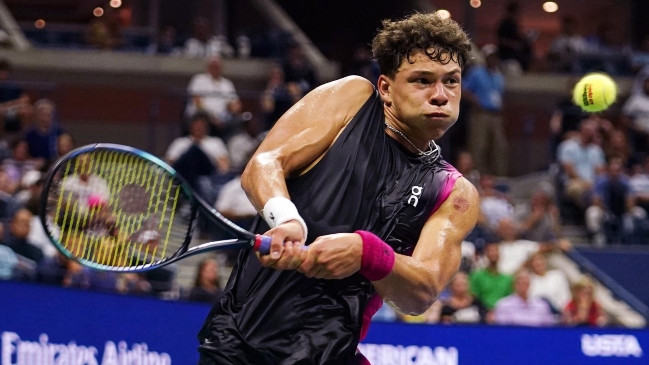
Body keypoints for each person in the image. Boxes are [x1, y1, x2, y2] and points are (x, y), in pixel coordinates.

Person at [197, 12, 479, 364]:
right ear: (386, 88)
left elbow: (422, 291)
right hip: (235, 341)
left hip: (328, 354)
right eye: (422, 80)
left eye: (451, 81)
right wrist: (287, 220)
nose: (440, 95)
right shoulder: (352, 99)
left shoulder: (455, 192)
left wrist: (367, 253)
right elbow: (265, 163)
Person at [462, 45, 508, 176]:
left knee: (499, 146)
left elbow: (499, 94)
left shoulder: (498, 75)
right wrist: (475, 101)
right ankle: (477, 174)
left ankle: (499, 176)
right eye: (490, 57)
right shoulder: (477, 72)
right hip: (481, 114)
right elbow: (463, 89)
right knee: (479, 145)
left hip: (495, 115)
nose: (493, 60)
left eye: (495, 57)